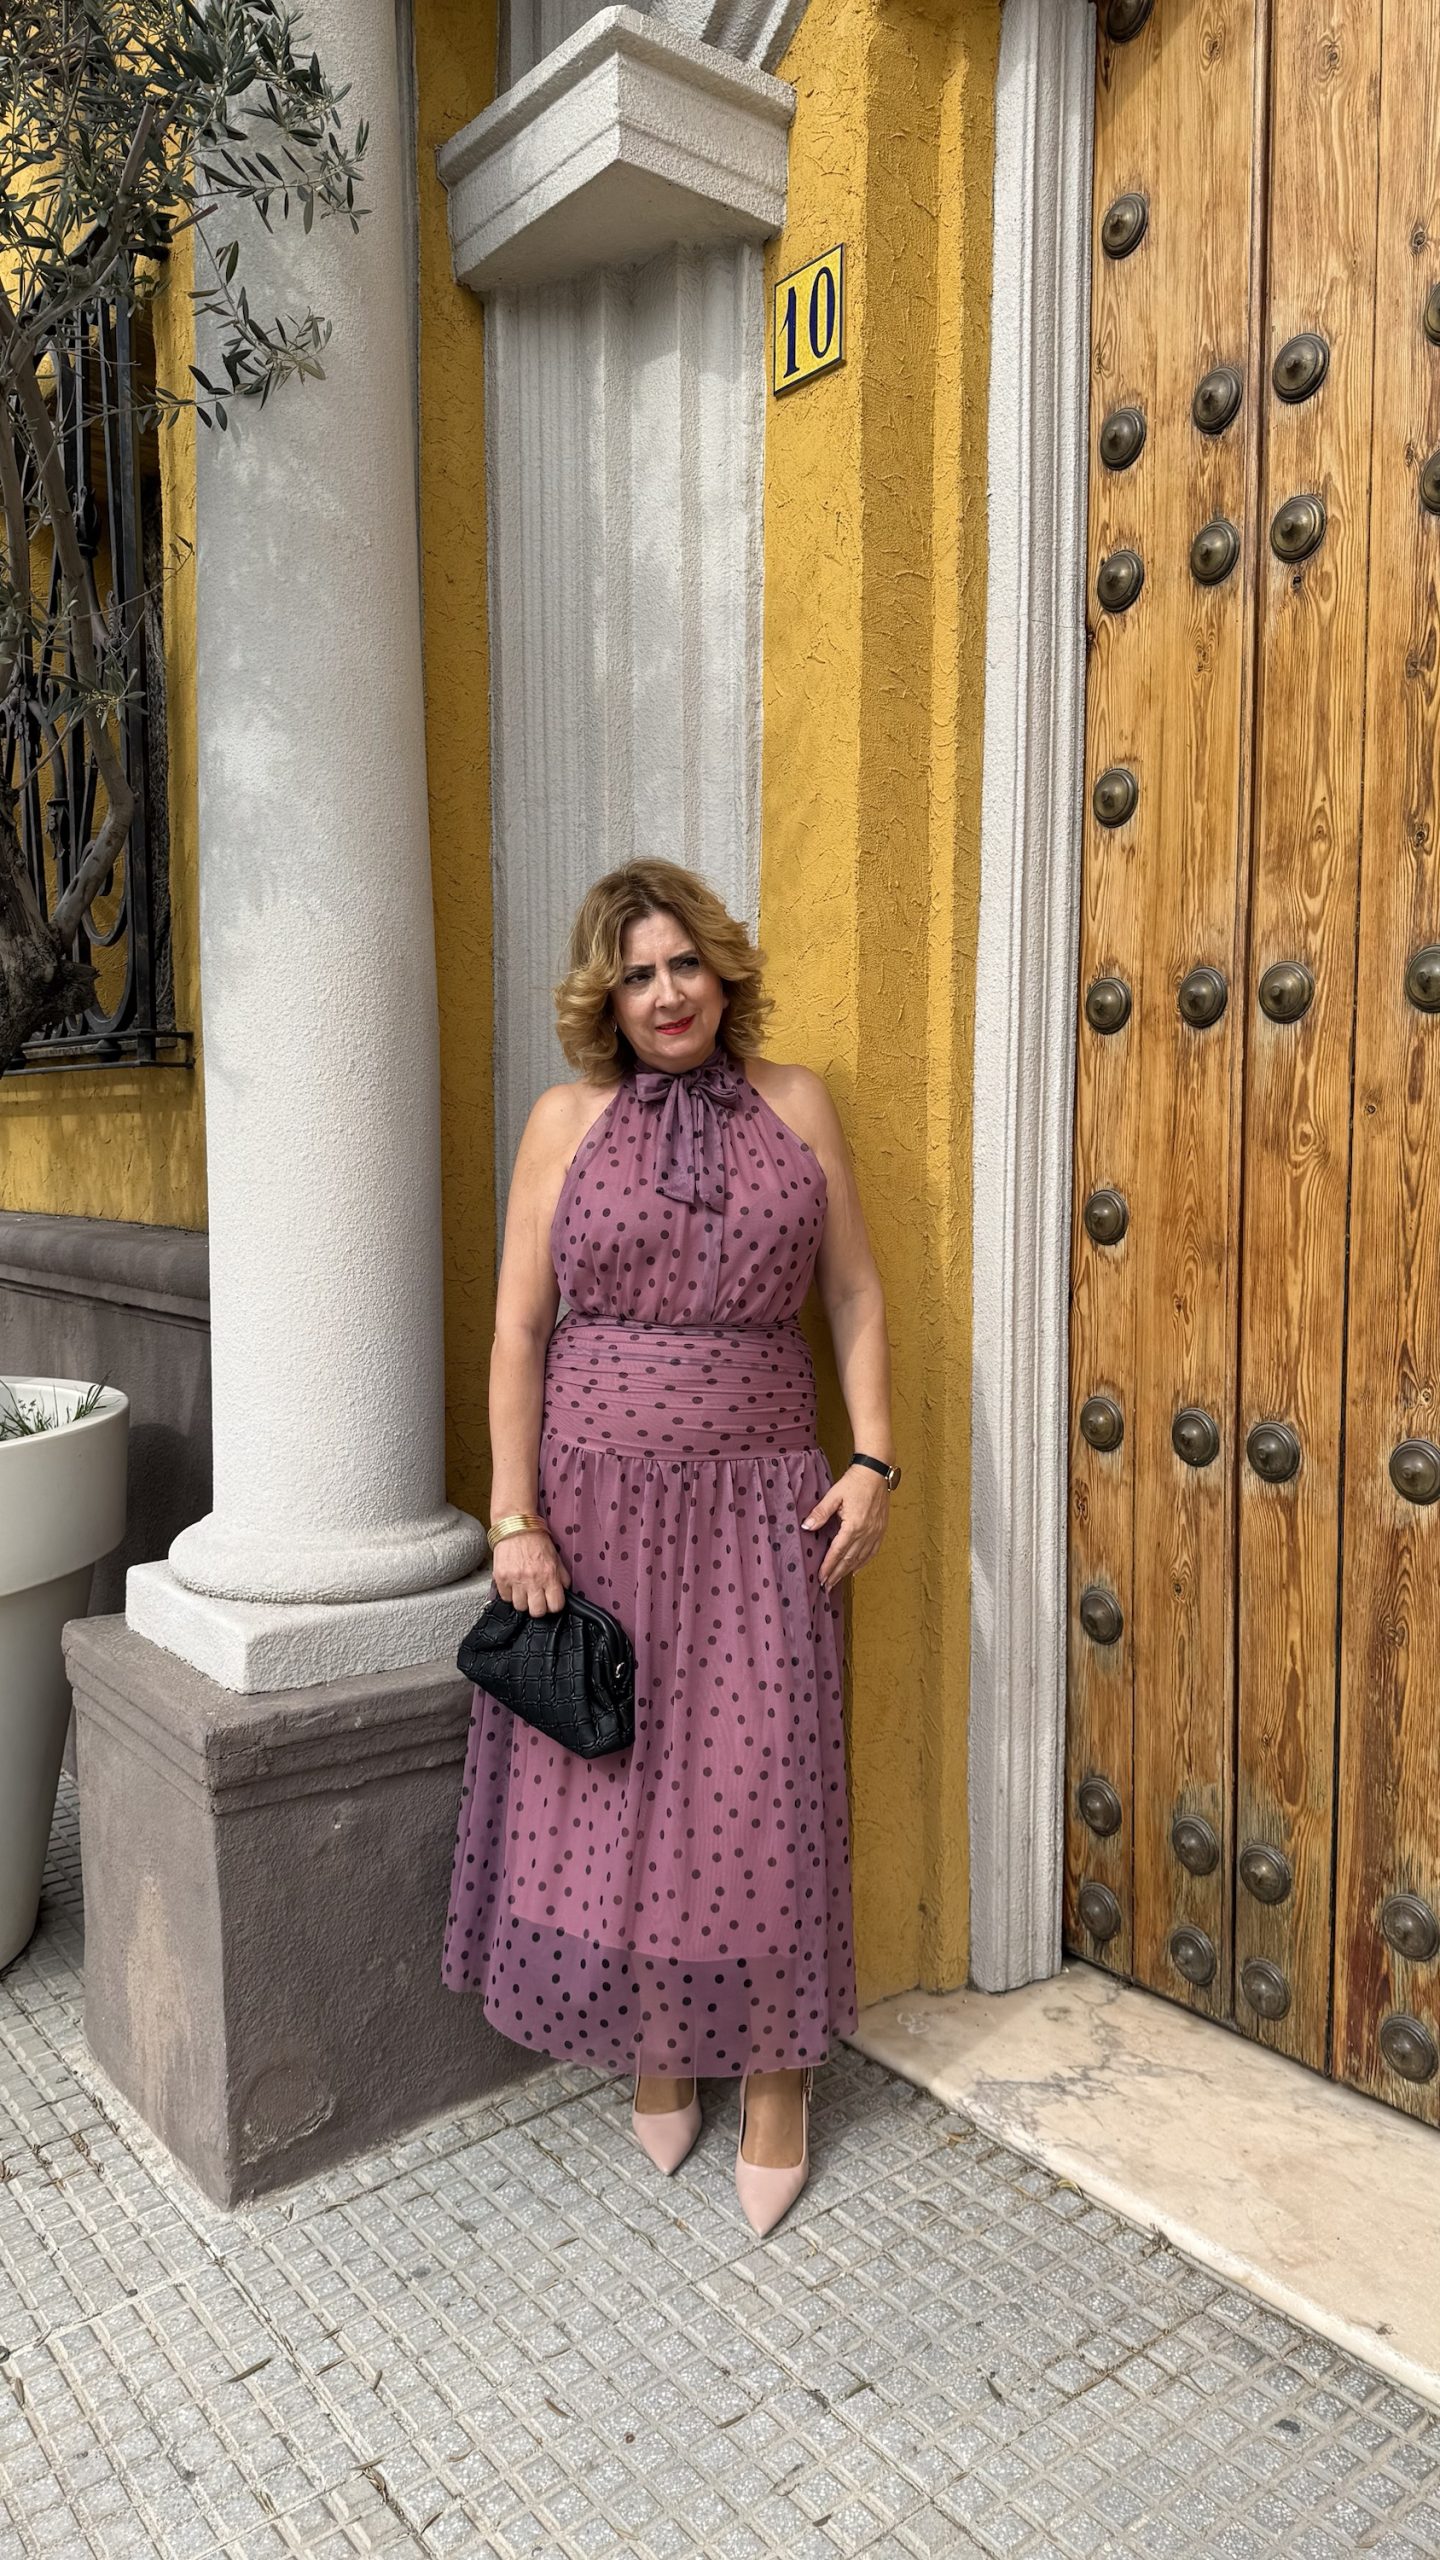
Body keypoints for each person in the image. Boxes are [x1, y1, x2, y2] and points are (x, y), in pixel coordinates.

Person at [443, 858, 898, 2235]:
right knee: (624, 1779)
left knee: (758, 1778)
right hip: (595, 1506)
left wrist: (873, 1458)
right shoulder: (563, 1121)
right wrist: (514, 1517)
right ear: (607, 995)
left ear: (722, 968)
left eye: (684, 962)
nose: (665, 994)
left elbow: (856, 1294)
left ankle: (777, 2076)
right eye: (637, 974)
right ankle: (657, 2044)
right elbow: (518, 1331)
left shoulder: (797, 1103)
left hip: (766, 1502)